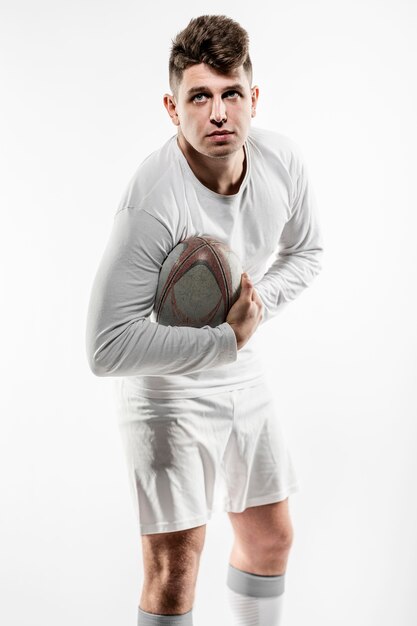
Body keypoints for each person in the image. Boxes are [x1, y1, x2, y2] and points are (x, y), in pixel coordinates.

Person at [85, 14, 323, 626]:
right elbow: (106, 347)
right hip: (163, 388)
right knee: (175, 572)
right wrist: (225, 336)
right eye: (200, 96)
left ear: (253, 98)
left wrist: (252, 310)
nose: (218, 113)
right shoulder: (152, 197)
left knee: (271, 539)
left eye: (231, 93)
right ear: (172, 107)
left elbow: (307, 251)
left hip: (239, 367)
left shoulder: (282, 162)